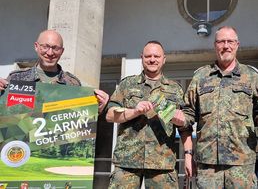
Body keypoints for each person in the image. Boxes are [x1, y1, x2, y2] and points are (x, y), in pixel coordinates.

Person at [106, 40, 193, 188]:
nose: (152, 59)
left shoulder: (175, 89)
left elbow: (186, 126)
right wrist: (135, 111)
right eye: (148, 56)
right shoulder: (127, 84)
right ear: (142, 58)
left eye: (156, 56)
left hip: (162, 164)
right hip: (127, 162)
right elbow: (110, 115)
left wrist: (188, 155)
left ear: (163, 59)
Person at [183, 26, 258, 188]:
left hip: (242, 164)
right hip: (208, 165)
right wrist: (188, 154)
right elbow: (187, 116)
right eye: (221, 41)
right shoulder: (200, 77)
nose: (226, 46)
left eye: (230, 41)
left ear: (237, 45)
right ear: (215, 45)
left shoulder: (252, 77)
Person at [0, 29, 109, 113]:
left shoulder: (72, 84)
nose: (50, 53)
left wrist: (98, 108)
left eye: (55, 48)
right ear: (36, 47)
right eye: (45, 47)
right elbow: (5, 113)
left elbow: (80, 118)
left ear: (62, 51)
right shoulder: (16, 79)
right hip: (23, 141)